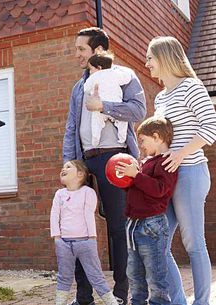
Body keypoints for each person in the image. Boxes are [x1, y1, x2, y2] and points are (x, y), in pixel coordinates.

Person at [62, 27, 147, 305]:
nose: (76, 54)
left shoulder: (124, 77)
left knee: (117, 227)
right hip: (84, 161)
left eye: (81, 49)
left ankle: (122, 292)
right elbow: (71, 127)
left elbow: (138, 110)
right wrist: (70, 162)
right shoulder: (78, 86)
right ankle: (84, 296)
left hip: (115, 157)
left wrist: (104, 106)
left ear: (97, 51)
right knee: (79, 228)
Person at [145, 36, 216, 305]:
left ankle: (201, 302)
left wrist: (179, 154)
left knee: (193, 243)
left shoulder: (192, 87)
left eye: (150, 58)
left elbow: (210, 128)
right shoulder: (161, 97)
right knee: (157, 243)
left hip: (190, 172)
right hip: (166, 176)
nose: (147, 63)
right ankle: (177, 302)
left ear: (164, 58)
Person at [115, 116, 178, 305]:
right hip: (133, 224)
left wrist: (136, 176)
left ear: (157, 137)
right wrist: (127, 180)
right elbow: (137, 189)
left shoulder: (166, 162)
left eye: (142, 140)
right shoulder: (146, 163)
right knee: (134, 273)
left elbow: (160, 190)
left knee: (155, 274)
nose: (140, 146)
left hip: (152, 225)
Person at [51, 160, 119, 305]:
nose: (63, 169)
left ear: (80, 174)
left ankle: (112, 302)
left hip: (85, 242)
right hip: (64, 243)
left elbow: (89, 214)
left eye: (68, 167)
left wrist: (92, 238)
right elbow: (54, 215)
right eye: (63, 167)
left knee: (96, 276)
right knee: (64, 277)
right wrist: (57, 237)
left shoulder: (88, 192)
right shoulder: (59, 194)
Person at [84, 52, 132, 147]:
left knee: (96, 123)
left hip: (100, 107)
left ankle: (95, 140)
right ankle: (122, 137)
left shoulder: (93, 77)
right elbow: (127, 78)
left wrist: (91, 91)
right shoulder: (115, 73)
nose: (90, 72)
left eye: (91, 69)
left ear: (99, 67)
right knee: (123, 122)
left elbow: (86, 88)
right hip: (116, 106)